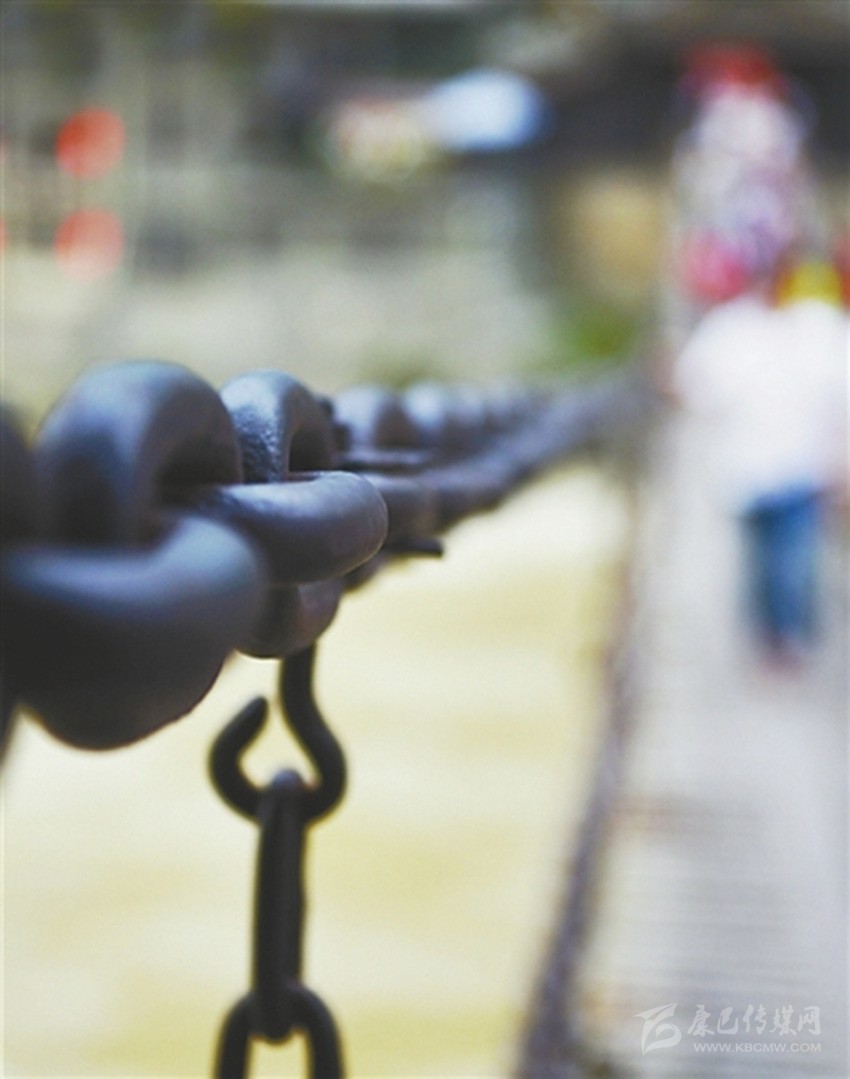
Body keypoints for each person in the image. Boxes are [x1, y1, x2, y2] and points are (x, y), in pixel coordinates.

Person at [670, 259, 847, 665]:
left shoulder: (811, 326)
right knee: (768, 561)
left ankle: (785, 635)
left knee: (790, 561)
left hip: (794, 470)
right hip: (751, 472)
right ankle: (772, 633)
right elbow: (697, 389)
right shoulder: (732, 329)